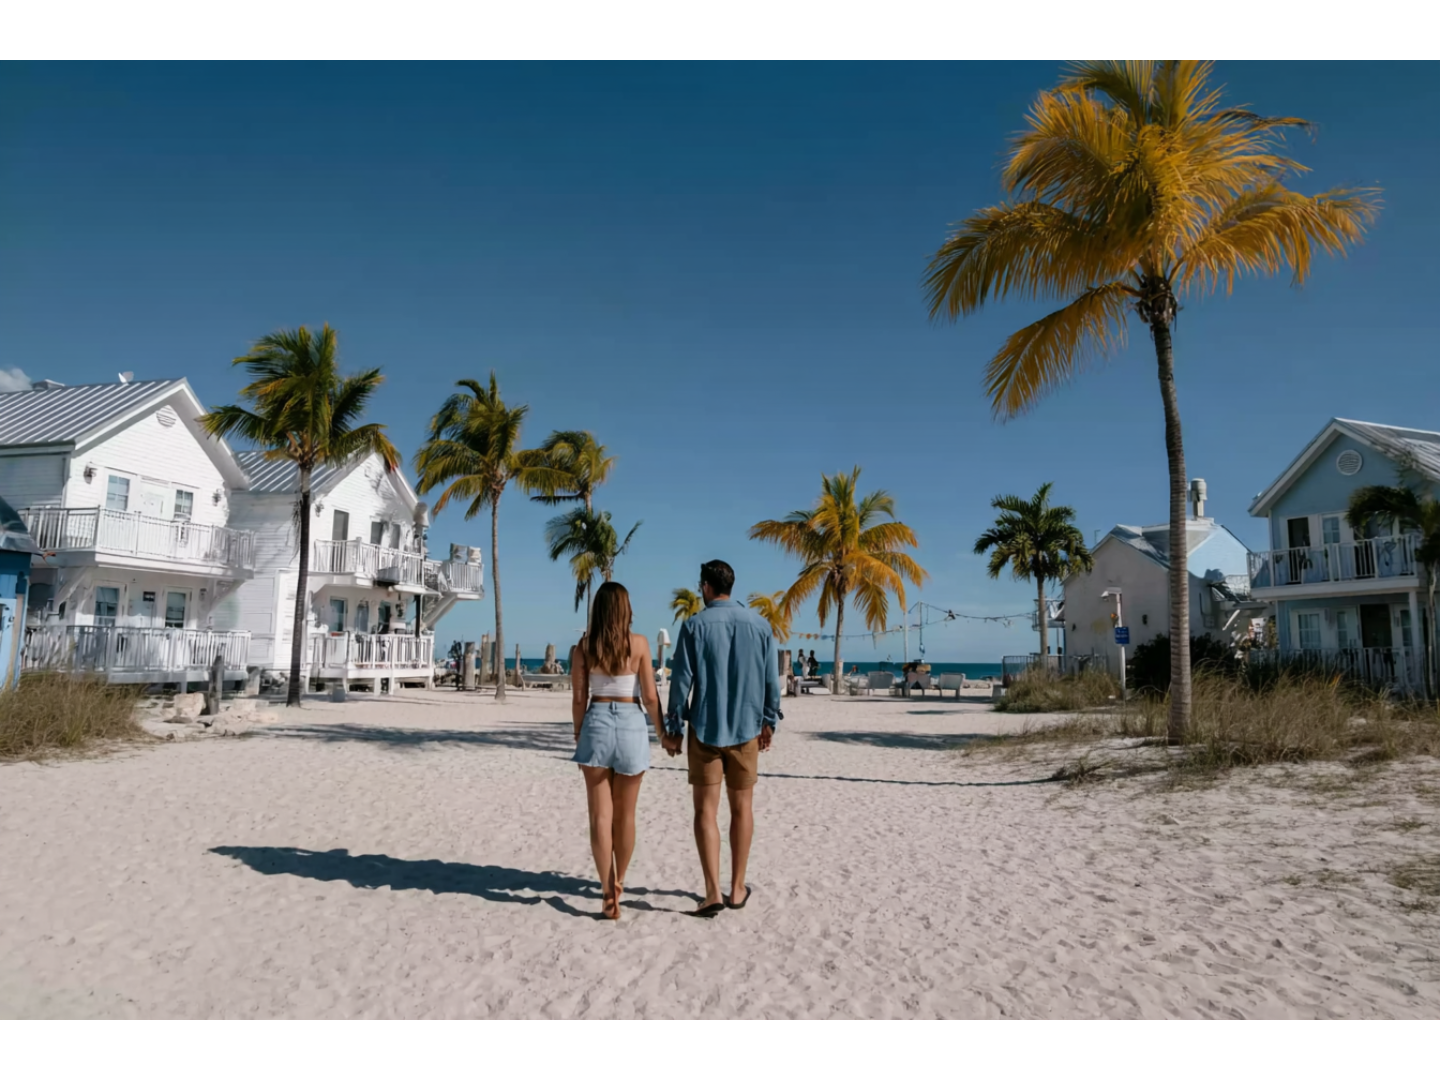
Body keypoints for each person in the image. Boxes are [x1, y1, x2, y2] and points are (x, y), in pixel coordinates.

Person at [664, 560, 781, 918]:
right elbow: (771, 682)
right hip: (747, 728)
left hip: (705, 728)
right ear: (731, 585)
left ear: (705, 586)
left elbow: (681, 681)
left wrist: (674, 727)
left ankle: (712, 891)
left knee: (705, 811)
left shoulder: (694, 626)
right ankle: (737, 887)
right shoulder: (761, 627)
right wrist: (769, 721)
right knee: (742, 808)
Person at [571, 582, 667, 921]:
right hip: (630, 721)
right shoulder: (639, 644)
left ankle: (607, 890)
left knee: (599, 817)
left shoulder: (583, 647)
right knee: (625, 816)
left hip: (596, 719)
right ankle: (621, 883)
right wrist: (664, 733)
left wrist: (579, 732)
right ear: (626, 609)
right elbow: (651, 698)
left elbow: (579, 699)